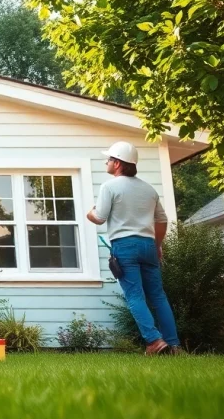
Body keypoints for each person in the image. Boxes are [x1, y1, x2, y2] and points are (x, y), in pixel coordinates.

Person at [87, 141, 180, 355]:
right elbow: (162, 220)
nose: (106, 162)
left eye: (109, 159)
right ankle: (174, 345)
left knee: (135, 295)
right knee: (158, 296)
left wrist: (89, 213)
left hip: (125, 245)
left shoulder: (109, 187)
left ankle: (154, 341)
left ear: (118, 163)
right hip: (148, 245)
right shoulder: (149, 190)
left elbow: (99, 217)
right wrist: (157, 245)